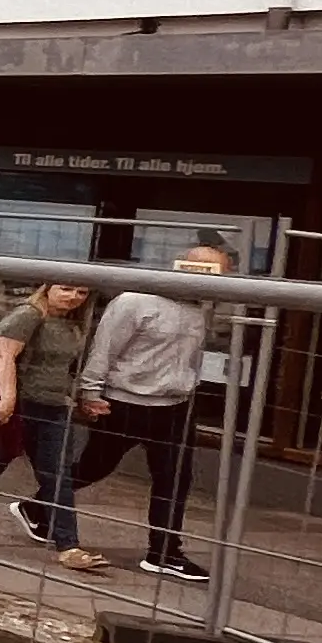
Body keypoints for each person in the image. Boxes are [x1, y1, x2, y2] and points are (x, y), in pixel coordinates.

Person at [75, 244, 235, 581]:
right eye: (216, 275)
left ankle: (164, 551)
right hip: (124, 402)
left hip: (174, 407)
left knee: (175, 480)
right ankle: (41, 505)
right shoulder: (134, 301)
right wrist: (90, 393)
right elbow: (103, 349)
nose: (223, 283)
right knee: (94, 467)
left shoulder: (202, 309)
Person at [0, 280, 104, 569]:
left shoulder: (73, 324)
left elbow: (65, 370)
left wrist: (82, 400)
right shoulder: (29, 315)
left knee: (57, 475)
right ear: (48, 288)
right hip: (17, 407)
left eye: (82, 292)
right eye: (66, 289)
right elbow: (5, 355)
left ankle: (69, 547)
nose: (74, 297)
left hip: (54, 408)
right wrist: (7, 399)